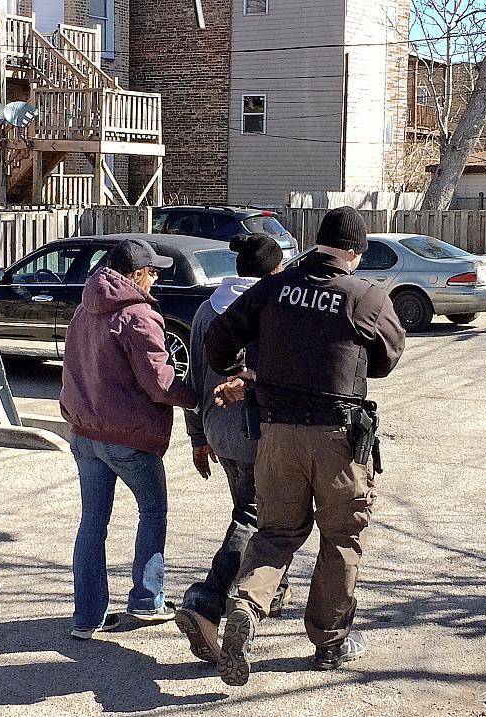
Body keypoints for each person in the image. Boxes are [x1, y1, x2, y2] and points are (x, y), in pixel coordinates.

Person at [205, 206, 406, 685]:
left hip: (276, 436)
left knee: (275, 533)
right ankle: (330, 642)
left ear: (317, 243)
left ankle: (247, 604)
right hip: (338, 439)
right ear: (355, 253)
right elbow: (387, 358)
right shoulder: (367, 297)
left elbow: (217, 340)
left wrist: (243, 371)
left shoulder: (273, 287)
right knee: (340, 539)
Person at [60, 237, 198, 640]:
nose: (155, 279)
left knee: (92, 524)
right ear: (135, 274)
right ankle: (147, 600)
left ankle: (86, 618)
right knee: (153, 512)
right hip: (129, 437)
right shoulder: (139, 315)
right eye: (152, 272)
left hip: (84, 432)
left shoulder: (84, 309)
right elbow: (159, 384)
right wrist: (198, 397)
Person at [175, 233, 293, 663]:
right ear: (275, 270)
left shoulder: (207, 310)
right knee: (255, 518)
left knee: (256, 512)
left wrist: (197, 437)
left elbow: (192, 378)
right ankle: (207, 600)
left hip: (217, 429)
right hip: (255, 432)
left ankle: (274, 590)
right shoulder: (270, 308)